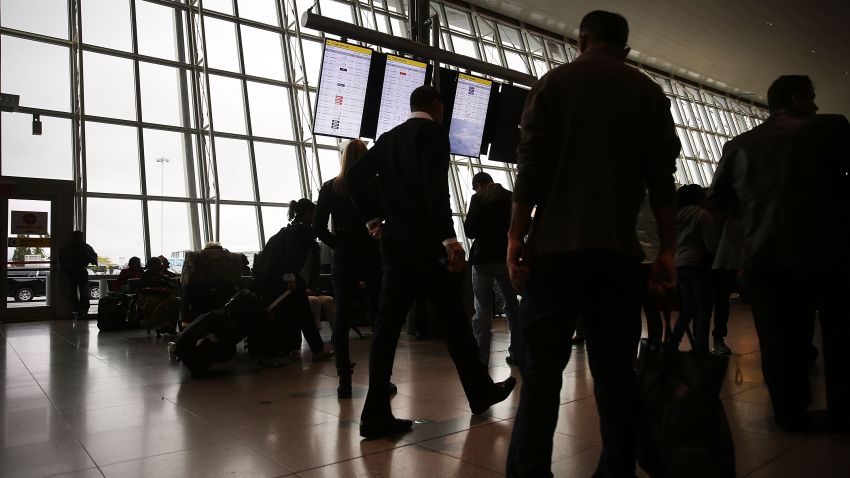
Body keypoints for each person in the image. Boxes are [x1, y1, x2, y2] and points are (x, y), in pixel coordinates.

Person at [505, 11, 680, 477]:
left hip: (555, 252)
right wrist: (666, 248)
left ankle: (529, 471)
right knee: (615, 373)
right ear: (624, 47)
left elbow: (532, 168)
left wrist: (515, 236)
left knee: (541, 375)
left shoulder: (553, 84)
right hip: (619, 256)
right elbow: (663, 180)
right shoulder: (646, 92)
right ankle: (616, 471)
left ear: (581, 40)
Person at [346, 85, 516, 439]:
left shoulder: (389, 138)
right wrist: (450, 239)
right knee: (453, 320)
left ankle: (374, 412)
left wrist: (372, 218)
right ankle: (480, 391)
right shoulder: (433, 134)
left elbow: (355, 177)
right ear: (436, 106)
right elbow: (435, 189)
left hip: (394, 243)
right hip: (425, 242)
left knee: (388, 325)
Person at [709, 74, 850, 432]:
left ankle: (789, 413)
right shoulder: (831, 128)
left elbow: (719, 203)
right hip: (827, 252)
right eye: (812, 97)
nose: (817, 105)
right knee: (837, 333)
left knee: (777, 338)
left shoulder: (738, 145)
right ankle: (841, 411)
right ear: (798, 98)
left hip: (763, 259)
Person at [313, 139, 384, 398]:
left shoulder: (331, 187)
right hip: (372, 253)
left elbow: (318, 227)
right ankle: (381, 379)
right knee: (379, 317)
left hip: (344, 256)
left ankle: (344, 377)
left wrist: (338, 244)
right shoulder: (376, 183)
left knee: (341, 318)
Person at [257, 199, 332, 361]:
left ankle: (291, 348)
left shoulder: (294, 231)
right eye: (315, 214)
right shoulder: (299, 232)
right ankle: (316, 350)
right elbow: (292, 259)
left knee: (296, 314)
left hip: (286, 280)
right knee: (304, 315)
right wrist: (291, 279)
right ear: (307, 213)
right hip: (291, 281)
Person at [463, 171, 521, 365]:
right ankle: (517, 353)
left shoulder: (478, 198)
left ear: (479, 185)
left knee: (482, 309)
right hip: (505, 258)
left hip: (482, 259)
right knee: (512, 306)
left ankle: (481, 357)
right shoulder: (510, 196)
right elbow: (522, 225)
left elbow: (470, 231)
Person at [671, 184, 718, 352]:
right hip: (698, 264)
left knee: (688, 307)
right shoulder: (702, 215)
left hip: (679, 264)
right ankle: (701, 349)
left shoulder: (675, 217)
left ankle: (673, 341)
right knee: (703, 308)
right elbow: (711, 244)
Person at [59, 230, 98, 318]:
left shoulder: (70, 247)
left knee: (76, 292)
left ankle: (78, 309)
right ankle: (81, 310)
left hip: (74, 271)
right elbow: (94, 258)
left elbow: (63, 259)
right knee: (80, 292)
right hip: (78, 271)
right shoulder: (86, 247)